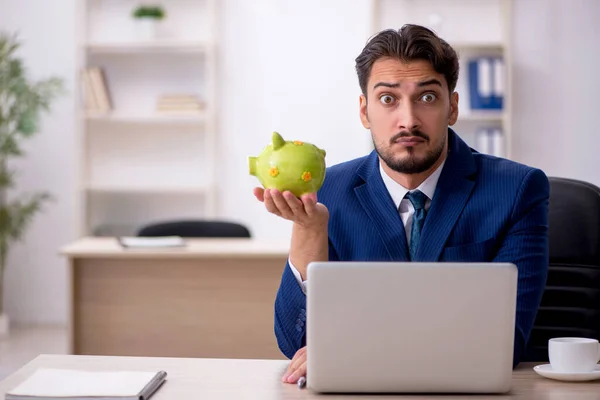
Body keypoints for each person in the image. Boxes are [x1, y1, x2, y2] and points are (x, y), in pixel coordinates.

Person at [253, 24, 549, 384]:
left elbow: (505, 342)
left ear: (452, 107)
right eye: (388, 99)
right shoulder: (328, 190)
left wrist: (351, 347)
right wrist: (308, 229)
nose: (408, 120)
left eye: (427, 98)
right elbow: (295, 345)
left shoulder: (517, 189)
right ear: (364, 112)